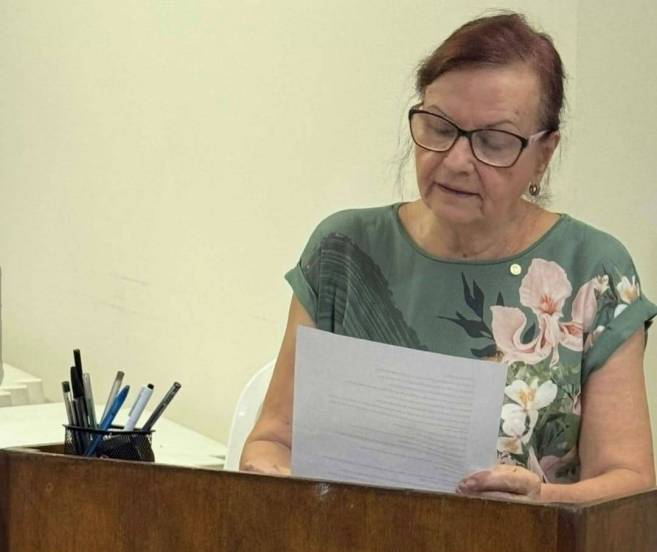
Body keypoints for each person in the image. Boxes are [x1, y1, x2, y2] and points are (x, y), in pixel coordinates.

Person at [240, 12, 656, 503]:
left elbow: (629, 482)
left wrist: (539, 501)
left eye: (494, 142)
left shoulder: (593, 270)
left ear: (544, 154)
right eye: (439, 128)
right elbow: (272, 442)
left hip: (525, 547)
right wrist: (281, 480)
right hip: (346, 544)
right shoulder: (345, 251)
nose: (457, 161)